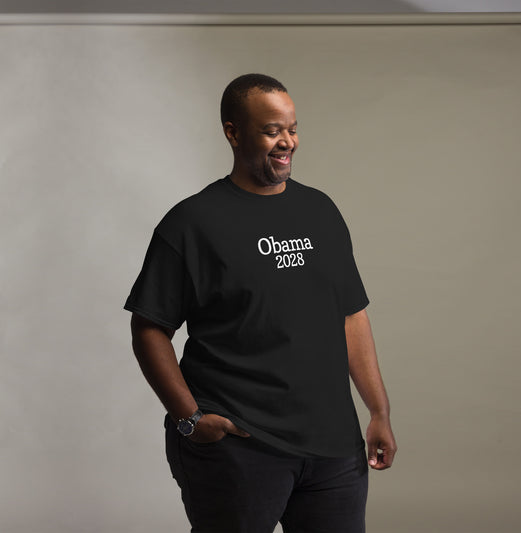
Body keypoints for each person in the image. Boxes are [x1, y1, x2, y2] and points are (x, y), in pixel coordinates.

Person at [124, 73, 396, 533]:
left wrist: (379, 411)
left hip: (334, 451)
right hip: (239, 449)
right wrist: (190, 419)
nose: (287, 141)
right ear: (233, 133)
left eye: (292, 129)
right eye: (272, 131)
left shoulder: (321, 212)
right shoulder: (192, 223)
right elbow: (149, 328)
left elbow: (351, 316)